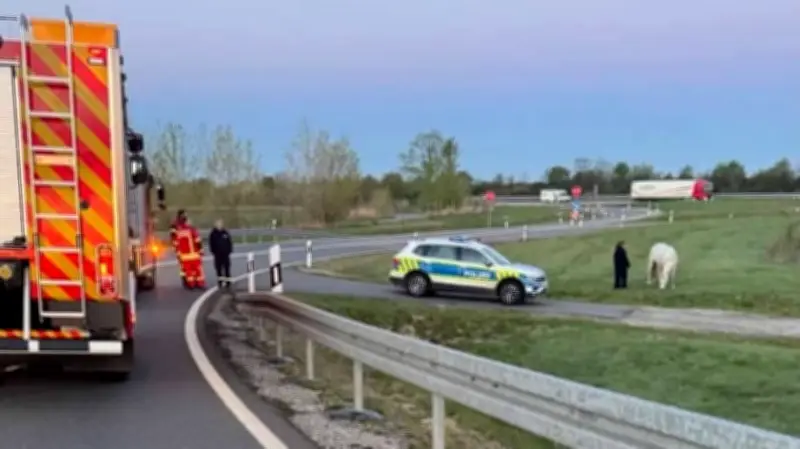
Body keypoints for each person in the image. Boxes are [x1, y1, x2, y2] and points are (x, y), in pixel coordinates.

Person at [170, 210, 206, 289]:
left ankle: (191, 283)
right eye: (185, 215)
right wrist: (200, 250)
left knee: (187, 269)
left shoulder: (178, 227)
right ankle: (192, 282)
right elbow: (174, 238)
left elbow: (175, 240)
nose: (186, 217)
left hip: (184, 253)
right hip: (190, 253)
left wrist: (177, 251)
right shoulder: (179, 227)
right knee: (191, 269)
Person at [209, 219, 233, 288]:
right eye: (218, 224)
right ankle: (220, 283)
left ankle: (228, 282)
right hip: (217, 255)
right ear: (215, 225)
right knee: (218, 269)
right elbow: (211, 244)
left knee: (227, 268)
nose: (219, 225)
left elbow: (229, 242)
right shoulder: (213, 234)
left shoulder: (225, 232)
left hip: (226, 254)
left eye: (220, 224)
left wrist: (229, 250)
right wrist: (214, 252)